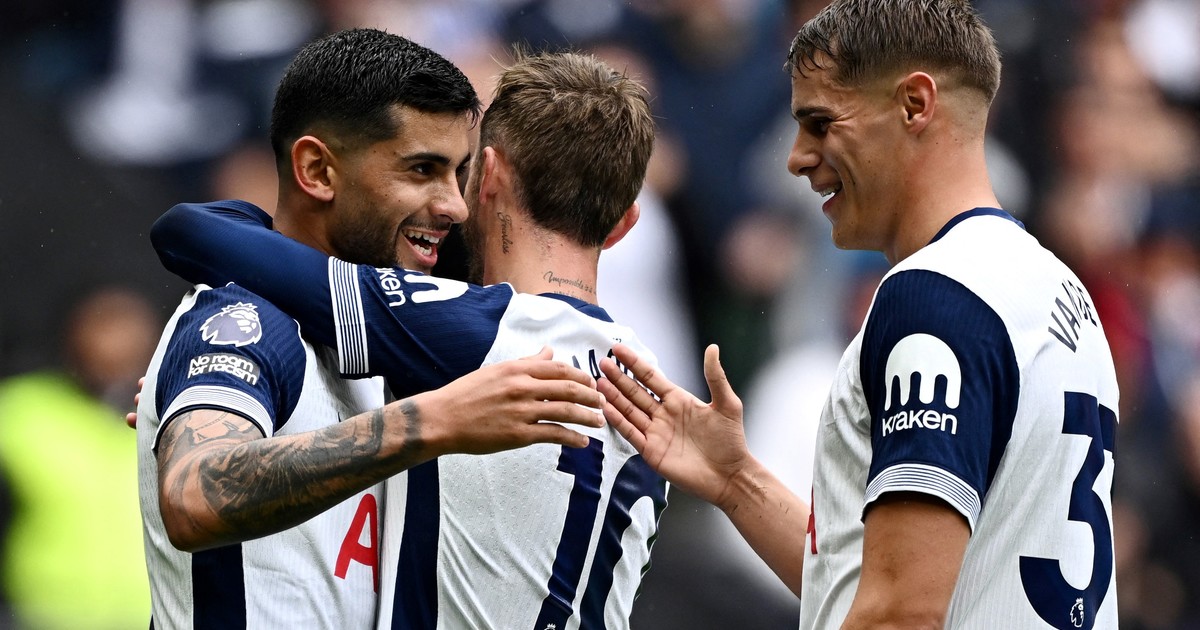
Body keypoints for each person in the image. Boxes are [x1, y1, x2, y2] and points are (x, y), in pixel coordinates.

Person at [595, 1, 1122, 628]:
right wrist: (735, 480)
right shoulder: (1060, 291)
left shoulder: (934, 296)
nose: (796, 157)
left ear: (915, 105)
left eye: (820, 123)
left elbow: (899, 613)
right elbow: (881, 586)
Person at [149, 50, 666, 628]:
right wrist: (211, 385)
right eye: (424, 169)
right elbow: (197, 490)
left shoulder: (462, 337)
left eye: (460, 174)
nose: (454, 205)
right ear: (624, 223)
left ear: (489, 176)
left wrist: (431, 420)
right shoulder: (653, 396)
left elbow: (188, 231)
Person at [0, 287, 157, 629]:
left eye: (129, 335)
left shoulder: (171, 417)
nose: (115, 348)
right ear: (72, 340)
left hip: (148, 616)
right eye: (102, 330)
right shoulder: (22, 409)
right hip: (40, 617)